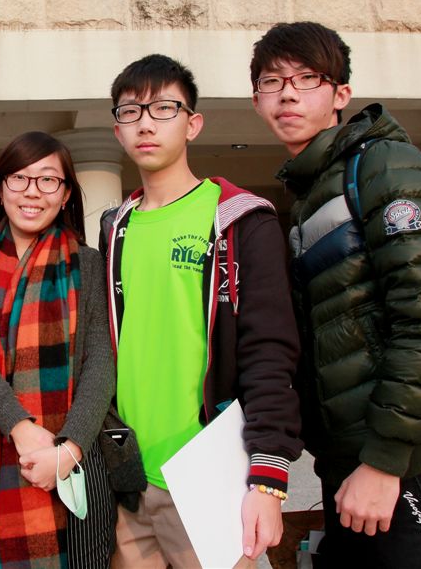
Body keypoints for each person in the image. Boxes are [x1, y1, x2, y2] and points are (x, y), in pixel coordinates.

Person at [249, 21, 421, 567]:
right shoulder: (311, 191)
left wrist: (383, 461)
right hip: (352, 466)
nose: (287, 93)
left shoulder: (383, 166)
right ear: (256, 100)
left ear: (341, 94)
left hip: (409, 467)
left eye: (307, 78)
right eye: (272, 81)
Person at [100, 54, 302, 568]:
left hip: (210, 477)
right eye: (130, 112)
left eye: (164, 108)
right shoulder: (114, 229)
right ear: (118, 131)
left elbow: (270, 351)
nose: (146, 123)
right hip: (129, 482)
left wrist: (268, 480)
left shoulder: (239, 221)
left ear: (193, 124)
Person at [0, 131, 116, 569]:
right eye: (19, 178)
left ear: (66, 194)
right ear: (0, 188)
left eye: (48, 180)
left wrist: (68, 450)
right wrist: (21, 428)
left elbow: (101, 361)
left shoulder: (88, 263)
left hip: (68, 454)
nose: (32, 192)